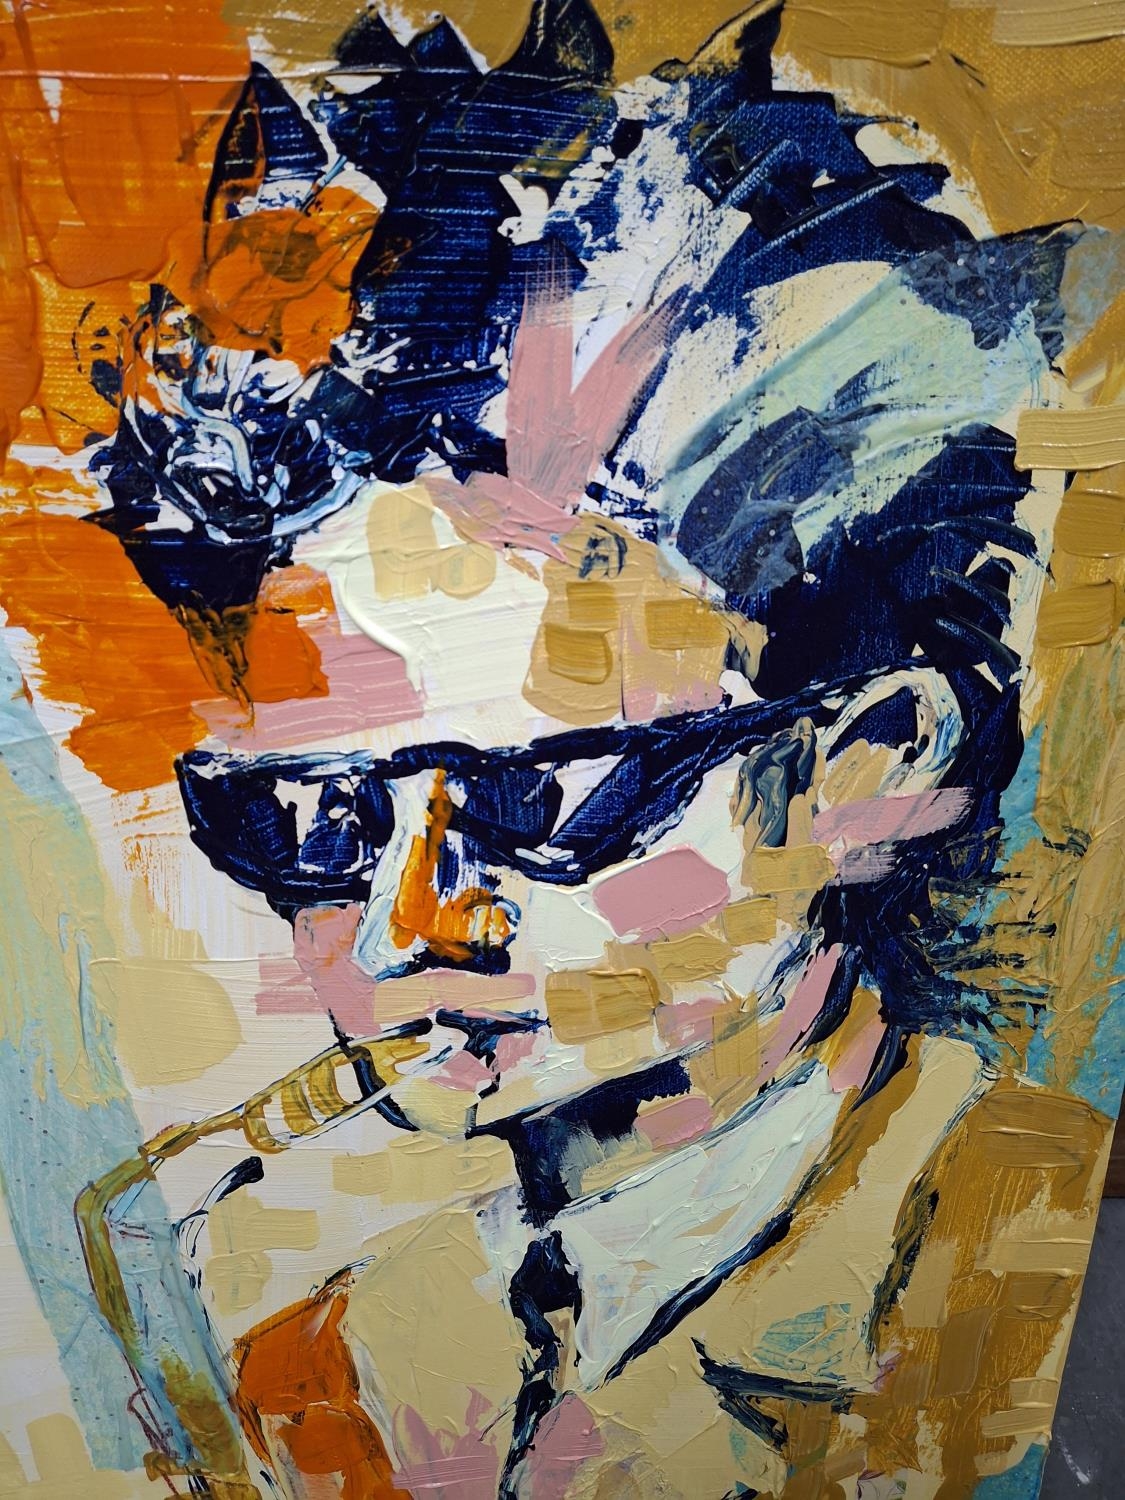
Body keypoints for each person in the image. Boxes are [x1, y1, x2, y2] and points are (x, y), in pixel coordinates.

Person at [79, 2, 1086, 1496]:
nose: (412, 926)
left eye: (543, 799)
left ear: (868, 762)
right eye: (306, 823)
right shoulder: (293, 1341)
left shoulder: (1021, 1301)